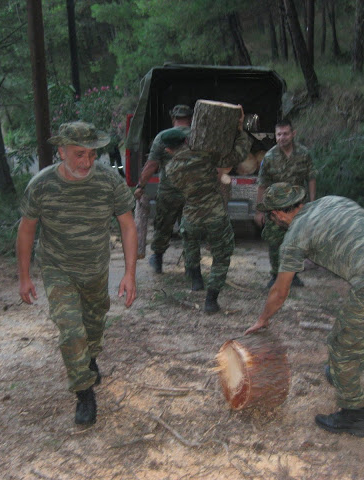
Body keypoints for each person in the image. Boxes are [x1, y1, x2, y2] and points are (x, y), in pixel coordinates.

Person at [245, 183, 364, 437]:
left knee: (343, 347)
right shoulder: (333, 200)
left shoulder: (295, 236)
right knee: (348, 335)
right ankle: (342, 376)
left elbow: (280, 292)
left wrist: (263, 319)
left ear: (278, 214)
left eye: (272, 216)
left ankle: (353, 415)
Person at [16, 121, 137, 425]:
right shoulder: (42, 185)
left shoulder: (109, 182)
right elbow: (26, 230)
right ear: (61, 151)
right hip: (58, 268)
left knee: (93, 326)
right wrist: (24, 275)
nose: (86, 162)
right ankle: (84, 393)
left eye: (91, 155)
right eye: (78, 154)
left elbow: (127, 225)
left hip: (95, 268)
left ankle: (90, 356)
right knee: (71, 330)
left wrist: (130, 272)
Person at [163, 107, 251, 313]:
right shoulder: (205, 155)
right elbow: (237, 155)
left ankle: (196, 280)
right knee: (221, 255)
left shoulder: (170, 170)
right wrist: (240, 132)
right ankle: (211, 299)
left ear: (168, 150)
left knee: (190, 244)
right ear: (186, 141)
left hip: (191, 215)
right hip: (214, 214)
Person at [254, 120, 317, 288]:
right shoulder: (269, 157)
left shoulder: (304, 154)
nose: (282, 137)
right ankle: (275, 276)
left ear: (293, 134)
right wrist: (259, 210)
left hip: (298, 207)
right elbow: (262, 184)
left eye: (285, 134)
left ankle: (293, 276)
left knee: (295, 243)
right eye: (279, 134)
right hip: (276, 208)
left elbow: (311, 178)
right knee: (275, 242)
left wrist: (312, 203)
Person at [134, 104, 193, 274]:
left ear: (173, 118)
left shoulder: (162, 137)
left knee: (163, 225)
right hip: (192, 191)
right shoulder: (197, 136)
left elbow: (151, 165)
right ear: (190, 118)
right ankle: (191, 266)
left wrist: (140, 186)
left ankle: (158, 259)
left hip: (169, 191)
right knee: (189, 228)